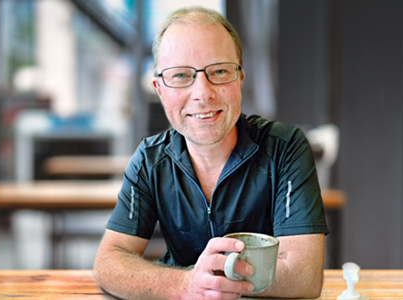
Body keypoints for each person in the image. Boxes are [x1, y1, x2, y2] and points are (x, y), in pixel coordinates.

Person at [94, 6, 328, 300]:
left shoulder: (285, 148)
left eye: (219, 71)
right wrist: (184, 285)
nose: (202, 94)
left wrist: (209, 280)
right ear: (159, 89)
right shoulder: (149, 160)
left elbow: (304, 278)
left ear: (239, 79)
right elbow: (110, 261)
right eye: (181, 75)